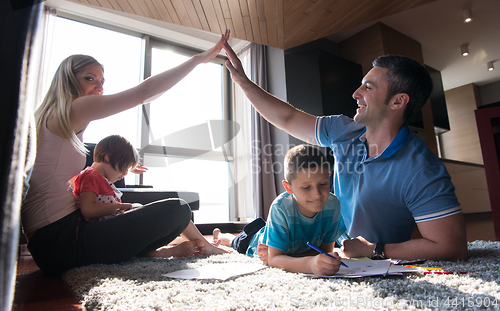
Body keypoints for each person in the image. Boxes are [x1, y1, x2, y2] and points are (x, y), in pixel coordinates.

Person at [223, 40, 468, 262]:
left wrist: (374, 249)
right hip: (318, 239)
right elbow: (287, 118)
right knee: (245, 241)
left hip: (344, 252)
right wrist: (243, 81)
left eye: (368, 88)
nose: (356, 94)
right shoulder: (343, 130)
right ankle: (230, 236)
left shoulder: (421, 169)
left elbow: (452, 247)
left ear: (397, 101)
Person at [21, 30, 230, 275]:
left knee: (157, 213)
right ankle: (201, 245)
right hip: (62, 241)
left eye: (101, 82)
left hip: (51, 243)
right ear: (67, 79)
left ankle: (164, 252)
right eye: (90, 79)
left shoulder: (49, 119)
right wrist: (197, 60)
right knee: (179, 209)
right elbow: (145, 93)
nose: (98, 87)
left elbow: (91, 163)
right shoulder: (72, 109)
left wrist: (125, 165)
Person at [213, 145, 346, 276]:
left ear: (329, 178)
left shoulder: (333, 205)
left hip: (282, 239)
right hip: (256, 240)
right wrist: (309, 264)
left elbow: (323, 251)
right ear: (289, 188)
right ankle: (220, 236)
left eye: (323, 184)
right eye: (306, 187)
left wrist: (287, 257)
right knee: (236, 242)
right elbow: (274, 260)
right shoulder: (280, 207)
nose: (317, 194)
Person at [70, 135, 141, 222]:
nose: (125, 173)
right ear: (109, 158)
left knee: (138, 207)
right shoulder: (91, 176)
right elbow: (88, 209)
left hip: (108, 225)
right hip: (100, 229)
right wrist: (120, 207)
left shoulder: (99, 179)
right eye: (125, 168)